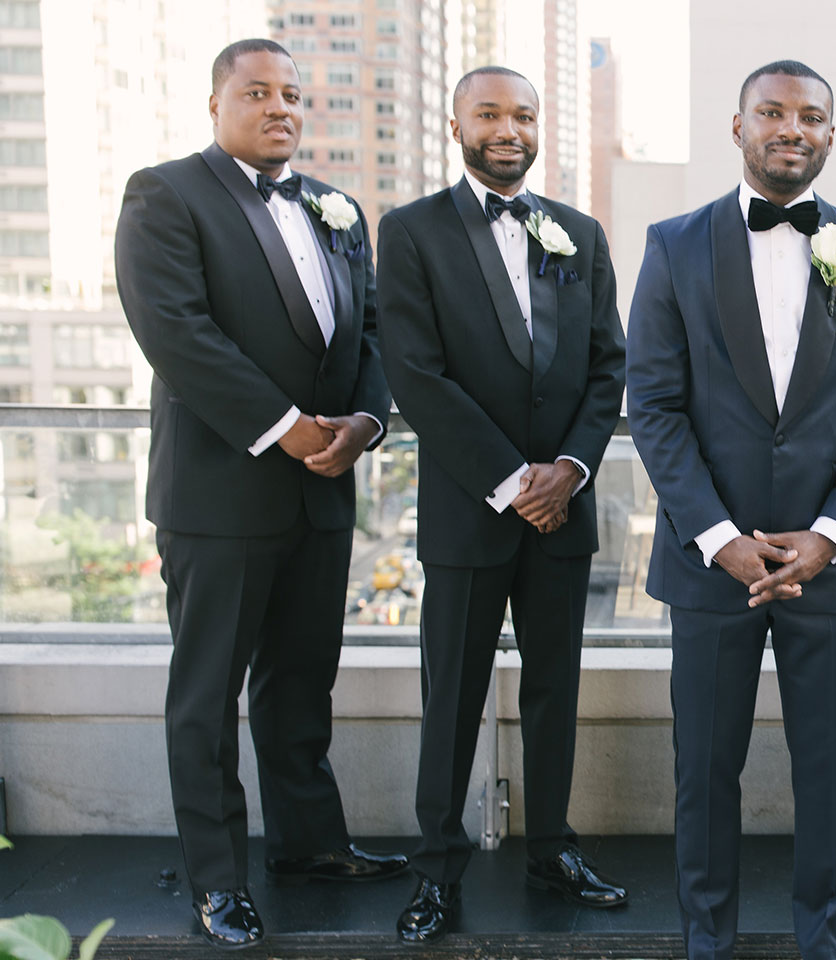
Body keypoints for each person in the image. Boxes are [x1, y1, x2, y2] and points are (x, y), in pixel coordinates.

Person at [114, 38, 405, 950]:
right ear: (216, 104)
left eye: (292, 95)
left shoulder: (338, 210)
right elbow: (177, 333)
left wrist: (365, 423)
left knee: (301, 681)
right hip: (219, 495)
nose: (280, 107)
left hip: (323, 492)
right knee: (208, 696)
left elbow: (373, 332)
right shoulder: (164, 194)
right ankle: (216, 881)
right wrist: (287, 428)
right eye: (257, 92)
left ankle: (309, 847)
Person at [625, 60, 836, 960]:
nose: (793, 128)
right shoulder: (673, 244)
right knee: (706, 771)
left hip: (829, 566)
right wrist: (719, 539)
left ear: (831, 133)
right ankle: (706, 940)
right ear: (738, 127)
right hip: (711, 564)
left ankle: (826, 940)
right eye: (773, 113)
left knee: (829, 773)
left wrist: (831, 536)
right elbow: (653, 405)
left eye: (811, 116)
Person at [376, 66, 629, 943]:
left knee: (557, 690)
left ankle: (551, 850)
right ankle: (437, 870)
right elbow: (416, 373)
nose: (508, 129)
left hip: (564, 510)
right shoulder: (410, 231)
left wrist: (571, 468)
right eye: (489, 113)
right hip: (469, 511)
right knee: (451, 696)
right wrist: (514, 481)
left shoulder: (580, 233)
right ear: (457, 126)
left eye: (523, 114)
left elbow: (608, 364)